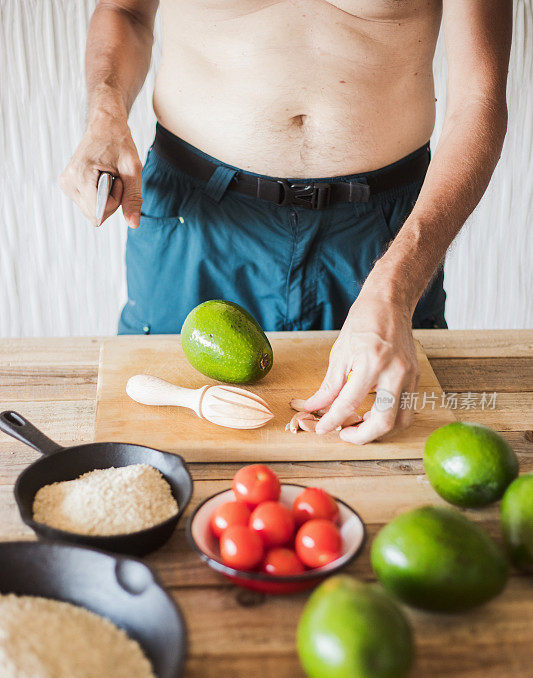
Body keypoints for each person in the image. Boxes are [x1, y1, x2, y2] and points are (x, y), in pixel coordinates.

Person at [60, 0, 511, 444]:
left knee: (384, 431)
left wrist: (394, 289)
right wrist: (104, 114)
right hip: (196, 219)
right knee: (161, 431)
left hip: (383, 233)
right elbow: (126, 11)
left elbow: (479, 101)